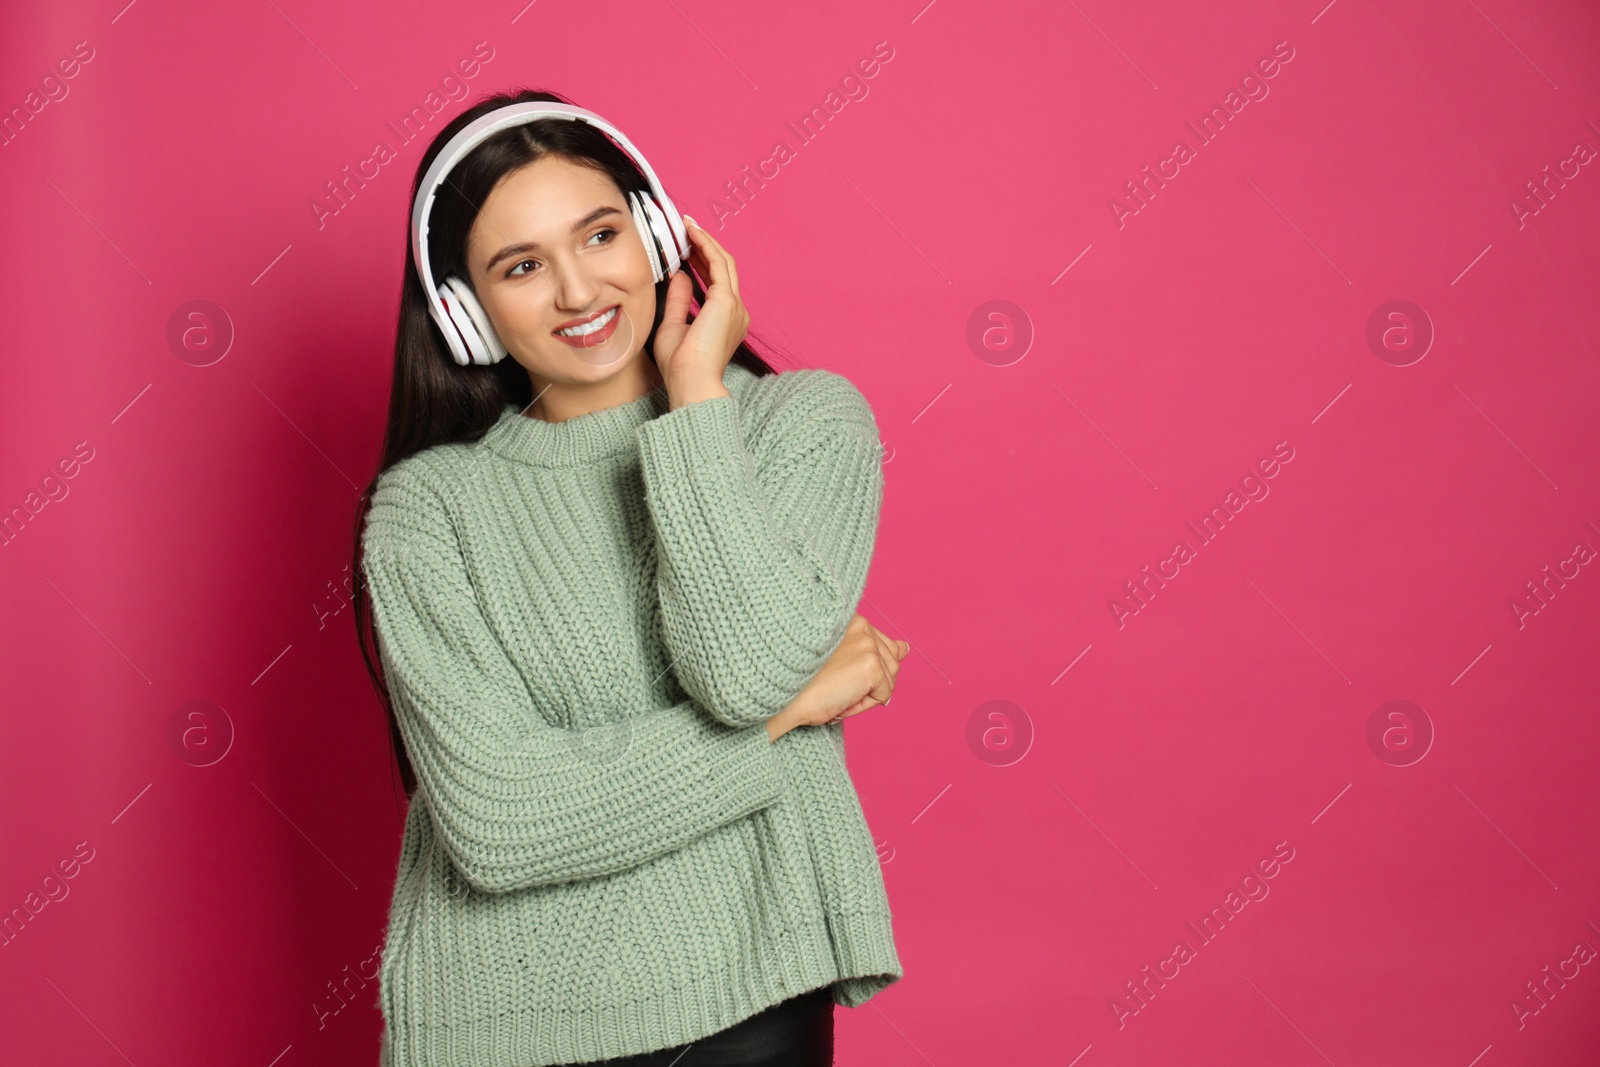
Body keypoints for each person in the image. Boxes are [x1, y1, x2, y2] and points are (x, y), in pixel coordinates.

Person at [350, 87, 910, 1067]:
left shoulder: (802, 426)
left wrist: (694, 397)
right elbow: (500, 820)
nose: (577, 291)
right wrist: (786, 717)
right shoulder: (426, 509)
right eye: (521, 266)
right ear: (464, 311)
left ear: (657, 233)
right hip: (501, 1023)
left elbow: (739, 668)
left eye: (601, 234)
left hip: (748, 1000)